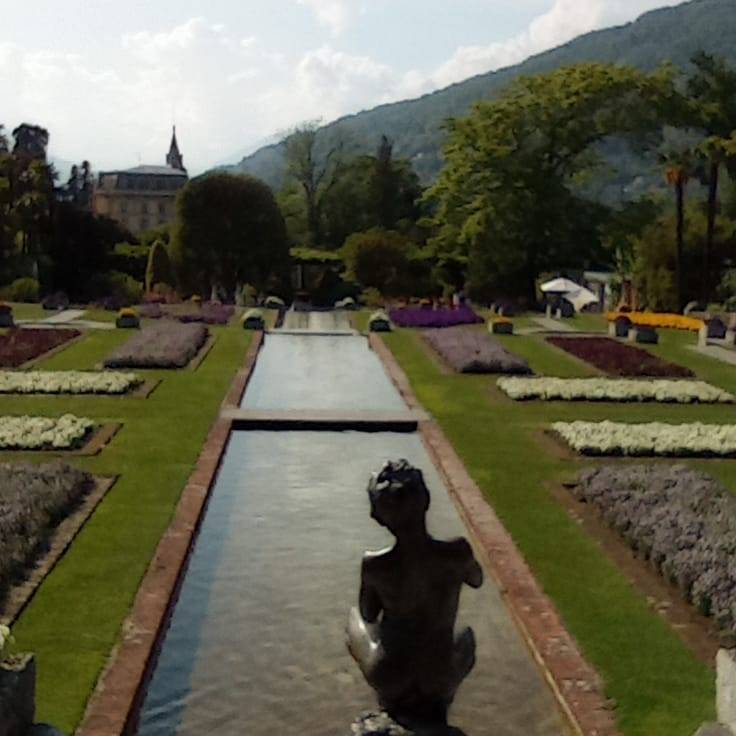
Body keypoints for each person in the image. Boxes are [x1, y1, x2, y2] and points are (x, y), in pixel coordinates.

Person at [347, 460, 483, 728]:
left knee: (356, 621)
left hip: (390, 677)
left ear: (379, 515)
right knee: (465, 636)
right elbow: (477, 580)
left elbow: (368, 613)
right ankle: (438, 703)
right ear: (426, 501)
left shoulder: (375, 565)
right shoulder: (457, 552)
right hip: (440, 675)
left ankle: (393, 703)